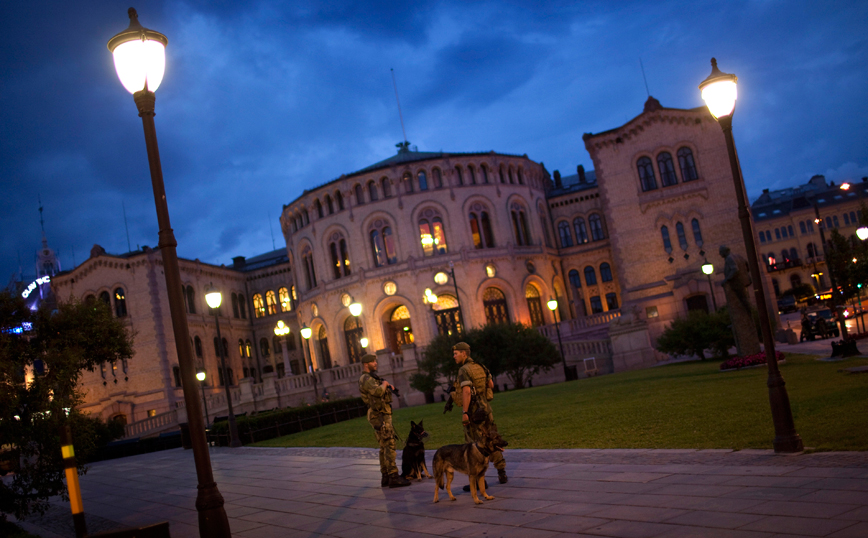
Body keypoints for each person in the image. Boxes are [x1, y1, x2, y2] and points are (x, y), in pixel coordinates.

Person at [452, 342, 508, 484]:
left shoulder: (464, 370)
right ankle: (502, 472)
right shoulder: (480, 366)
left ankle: (479, 481)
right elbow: (491, 385)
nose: (454, 356)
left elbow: (466, 392)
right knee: (492, 441)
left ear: (464, 353)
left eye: (456, 353)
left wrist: (465, 412)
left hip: (474, 413)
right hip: (486, 410)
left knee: (475, 446)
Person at [358, 353, 410, 488]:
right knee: (389, 445)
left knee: (383, 446)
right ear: (366, 364)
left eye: (375, 361)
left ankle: (386, 476)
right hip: (379, 416)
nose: (375, 363)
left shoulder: (371, 378)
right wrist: (384, 384)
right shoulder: (366, 378)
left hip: (380, 414)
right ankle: (393, 476)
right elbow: (377, 392)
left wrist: (386, 386)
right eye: (372, 362)